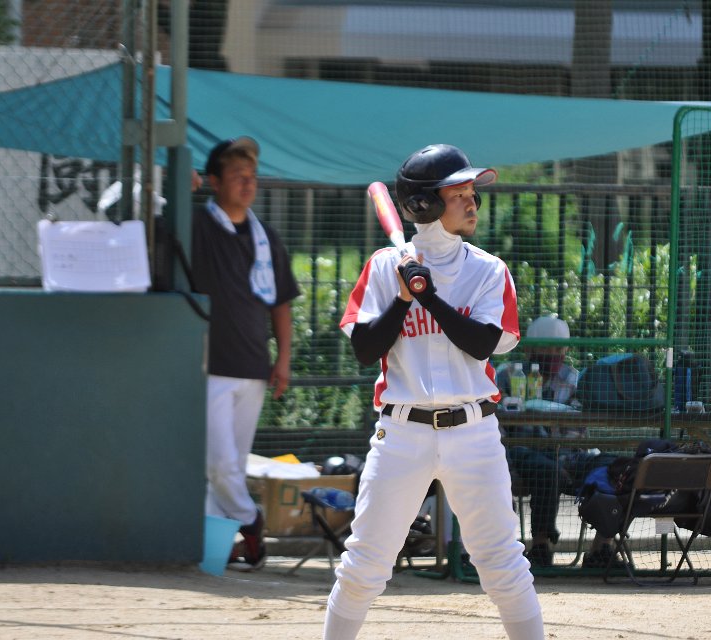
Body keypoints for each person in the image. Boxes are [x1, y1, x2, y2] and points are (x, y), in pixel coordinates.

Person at [328, 144, 543, 640]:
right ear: (423, 204)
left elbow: (482, 343)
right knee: (364, 564)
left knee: (502, 563)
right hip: (402, 433)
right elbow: (365, 349)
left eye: (472, 193)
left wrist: (431, 297)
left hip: (474, 432)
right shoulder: (385, 267)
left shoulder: (489, 270)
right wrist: (404, 299)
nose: (473, 202)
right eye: (459, 193)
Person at [191, 136, 301, 570]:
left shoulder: (265, 236)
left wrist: (283, 360)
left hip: (253, 366)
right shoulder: (197, 224)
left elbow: (281, 304)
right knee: (219, 466)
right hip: (210, 366)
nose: (248, 183)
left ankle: (221, 552)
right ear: (214, 182)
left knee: (229, 467)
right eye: (237, 175)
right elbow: (152, 227)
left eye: (252, 175)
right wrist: (181, 191)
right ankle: (252, 523)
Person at [495, 314, 621, 569]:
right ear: (529, 349)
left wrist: (560, 447)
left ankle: (601, 549)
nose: (553, 355)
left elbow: (577, 429)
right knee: (547, 470)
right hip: (522, 452)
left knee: (617, 467)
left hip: (567, 455)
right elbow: (498, 425)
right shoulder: (507, 374)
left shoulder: (574, 379)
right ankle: (541, 547)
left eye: (558, 349)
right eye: (546, 348)